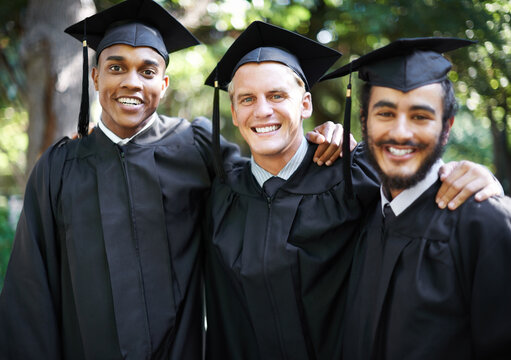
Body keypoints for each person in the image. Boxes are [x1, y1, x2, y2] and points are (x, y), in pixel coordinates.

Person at [0, 1, 351, 358]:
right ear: (95, 77)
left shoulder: (197, 148)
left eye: (147, 71)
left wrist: (326, 144)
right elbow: (30, 291)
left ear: (164, 83)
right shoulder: (60, 166)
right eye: (116, 67)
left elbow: (267, 187)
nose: (131, 82)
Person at [202, 23, 502, 359]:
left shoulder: (354, 178)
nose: (262, 111)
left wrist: (480, 180)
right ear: (233, 111)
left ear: (305, 105)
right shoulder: (221, 194)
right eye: (247, 99)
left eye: (277, 95)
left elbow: (411, 184)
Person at [322, 37, 511, 359]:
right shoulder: (361, 211)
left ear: (446, 128)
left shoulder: (484, 224)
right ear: (364, 122)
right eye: (385, 113)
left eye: (420, 117)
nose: (401, 132)